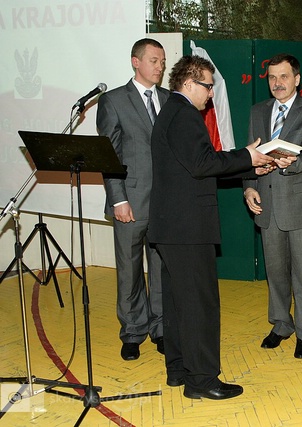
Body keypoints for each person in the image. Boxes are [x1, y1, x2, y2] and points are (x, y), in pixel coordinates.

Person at [148, 55, 274, 399]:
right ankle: (202, 381)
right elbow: (202, 164)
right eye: (207, 85)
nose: (211, 92)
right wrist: (247, 156)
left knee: (177, 303)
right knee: (199, 305)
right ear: (189, 84)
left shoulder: (170, 111)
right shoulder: (185, 115)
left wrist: (249, 167)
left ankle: (179, 370)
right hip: (188, 228)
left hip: (171, 227)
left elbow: (193, 168)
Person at [243, 53, 302, 359]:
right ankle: (281, 324)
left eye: (284, 76)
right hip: (266, 205)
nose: (277, 83)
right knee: (275, 271)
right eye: (272, 77)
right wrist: (248, 188)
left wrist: (292, 163)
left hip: (300, 205)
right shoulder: (257, 111)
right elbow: (249, 155)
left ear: (297, 79)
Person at [97, 38, 169, 361]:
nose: (160, 66)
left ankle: (161, 328)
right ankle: (132, 332)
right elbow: (109, 155)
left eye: (162, 61)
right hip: (130, 200)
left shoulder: (168, 99)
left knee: (161, 267)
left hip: (164, 202)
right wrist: (118, 199)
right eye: (154, 60)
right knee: (129, 270)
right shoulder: (113, 101)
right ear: (135, 62)